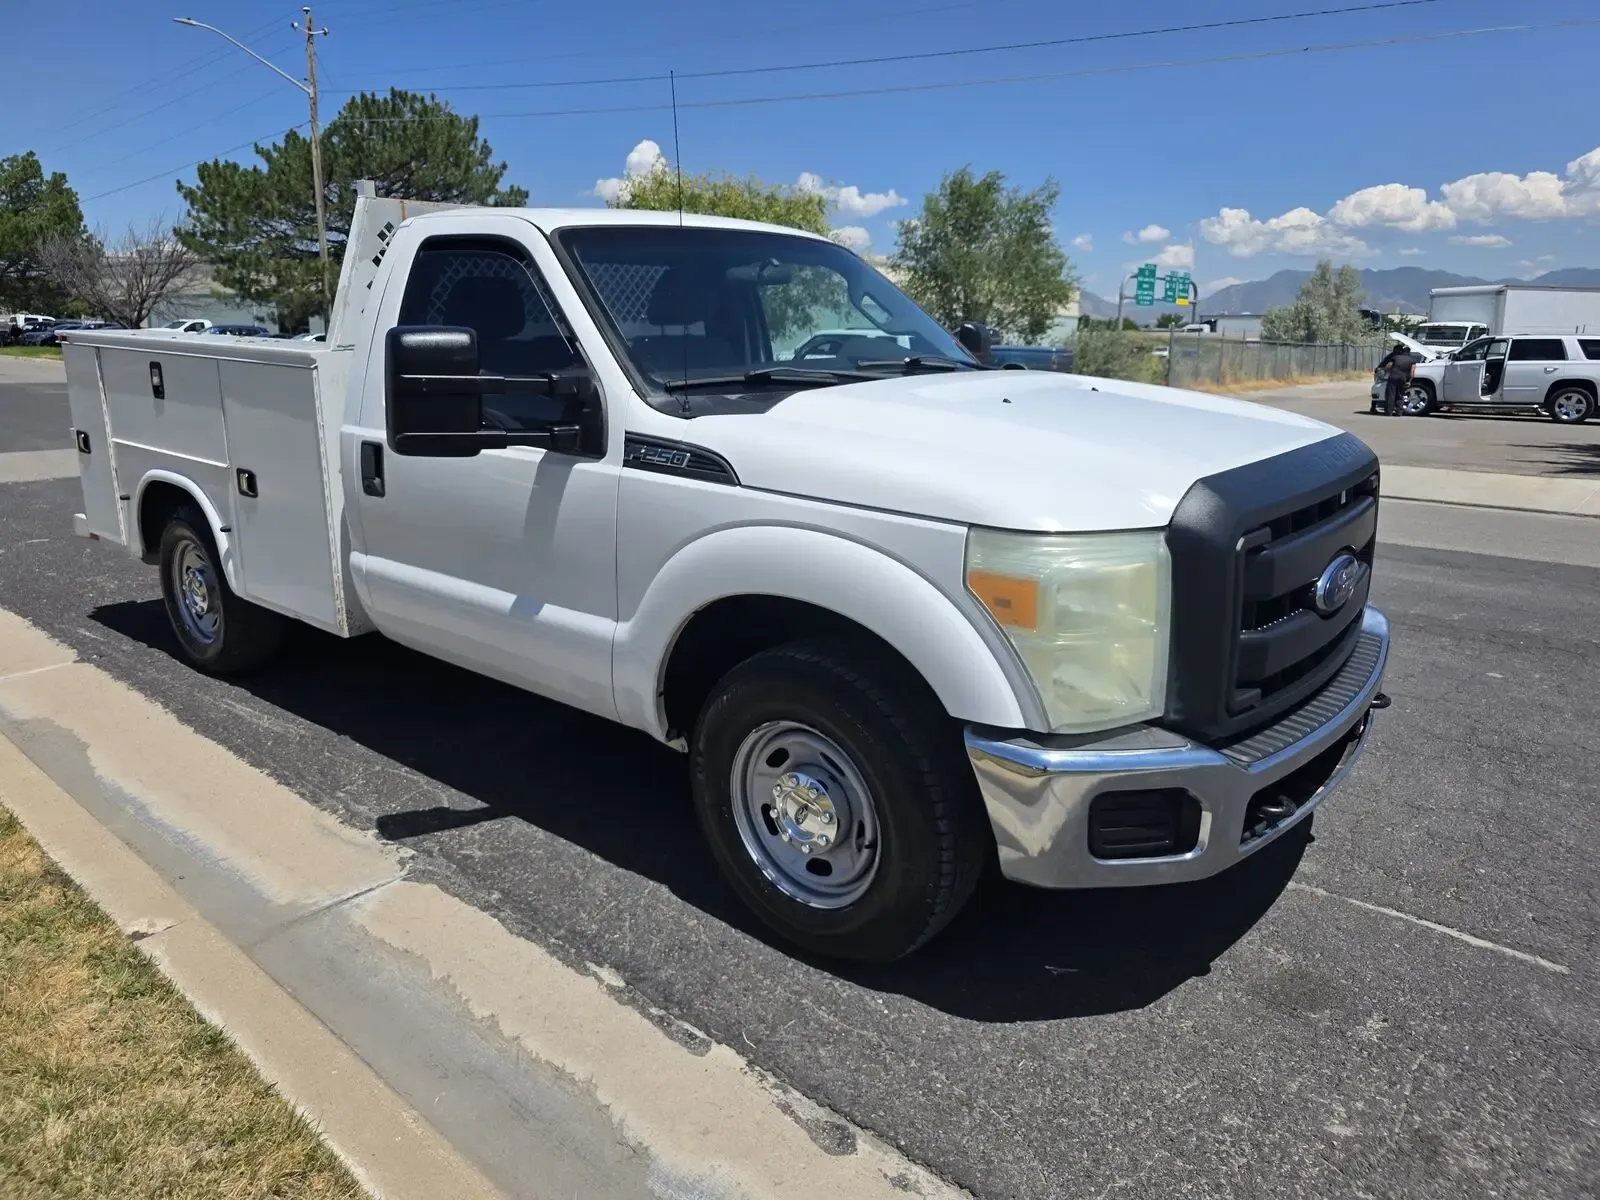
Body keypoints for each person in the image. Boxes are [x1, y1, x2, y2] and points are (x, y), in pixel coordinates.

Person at [1376, 342, 1417, 416]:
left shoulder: (1395, 357)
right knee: (1400, 395)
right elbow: (1412, 372)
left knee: (1391, 395)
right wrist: (1409, 381)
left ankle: (1389, 412)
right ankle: (1399, 412)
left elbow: (1389, 366)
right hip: (1403, 378)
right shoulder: (1412, 360)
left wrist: (1385, 372)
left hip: (1393, 377)